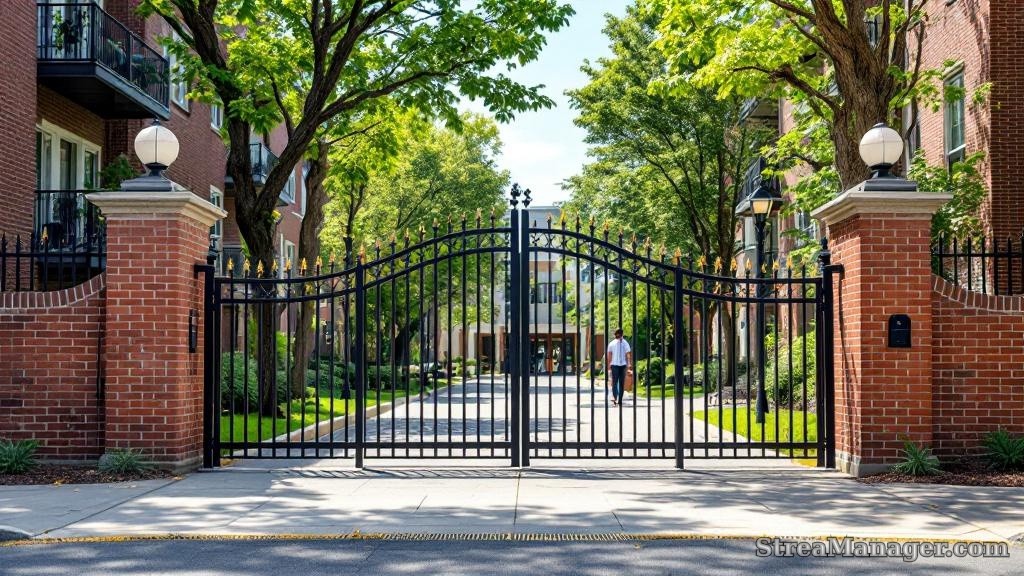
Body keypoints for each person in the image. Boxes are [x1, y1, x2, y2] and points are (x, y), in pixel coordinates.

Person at [606, 328, 632, 406]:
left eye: (619, 336)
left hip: (623, 365)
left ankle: (620, 400)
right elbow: (609, 354)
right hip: (614, 365)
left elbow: (628, 353)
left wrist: (629, 363)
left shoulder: (625, 343)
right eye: (617, 336)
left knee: (621, 383)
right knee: (614, 382)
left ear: (622, 335)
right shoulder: (612, 343)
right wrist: (609, 365)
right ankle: (615, 398)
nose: (618, 337)